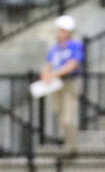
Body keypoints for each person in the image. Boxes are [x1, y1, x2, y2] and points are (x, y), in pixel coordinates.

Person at [42, 15, 84, 156]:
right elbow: (48, 64)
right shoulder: (55, 48)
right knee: (60, 114)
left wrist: (54, 74)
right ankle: (68, 143)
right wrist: (46, 75)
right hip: (57, 84)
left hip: (70, 83)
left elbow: (72, 65)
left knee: (69, 117)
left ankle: (73, 147)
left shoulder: (75, 46)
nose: (60, 33)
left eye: (63, 30)